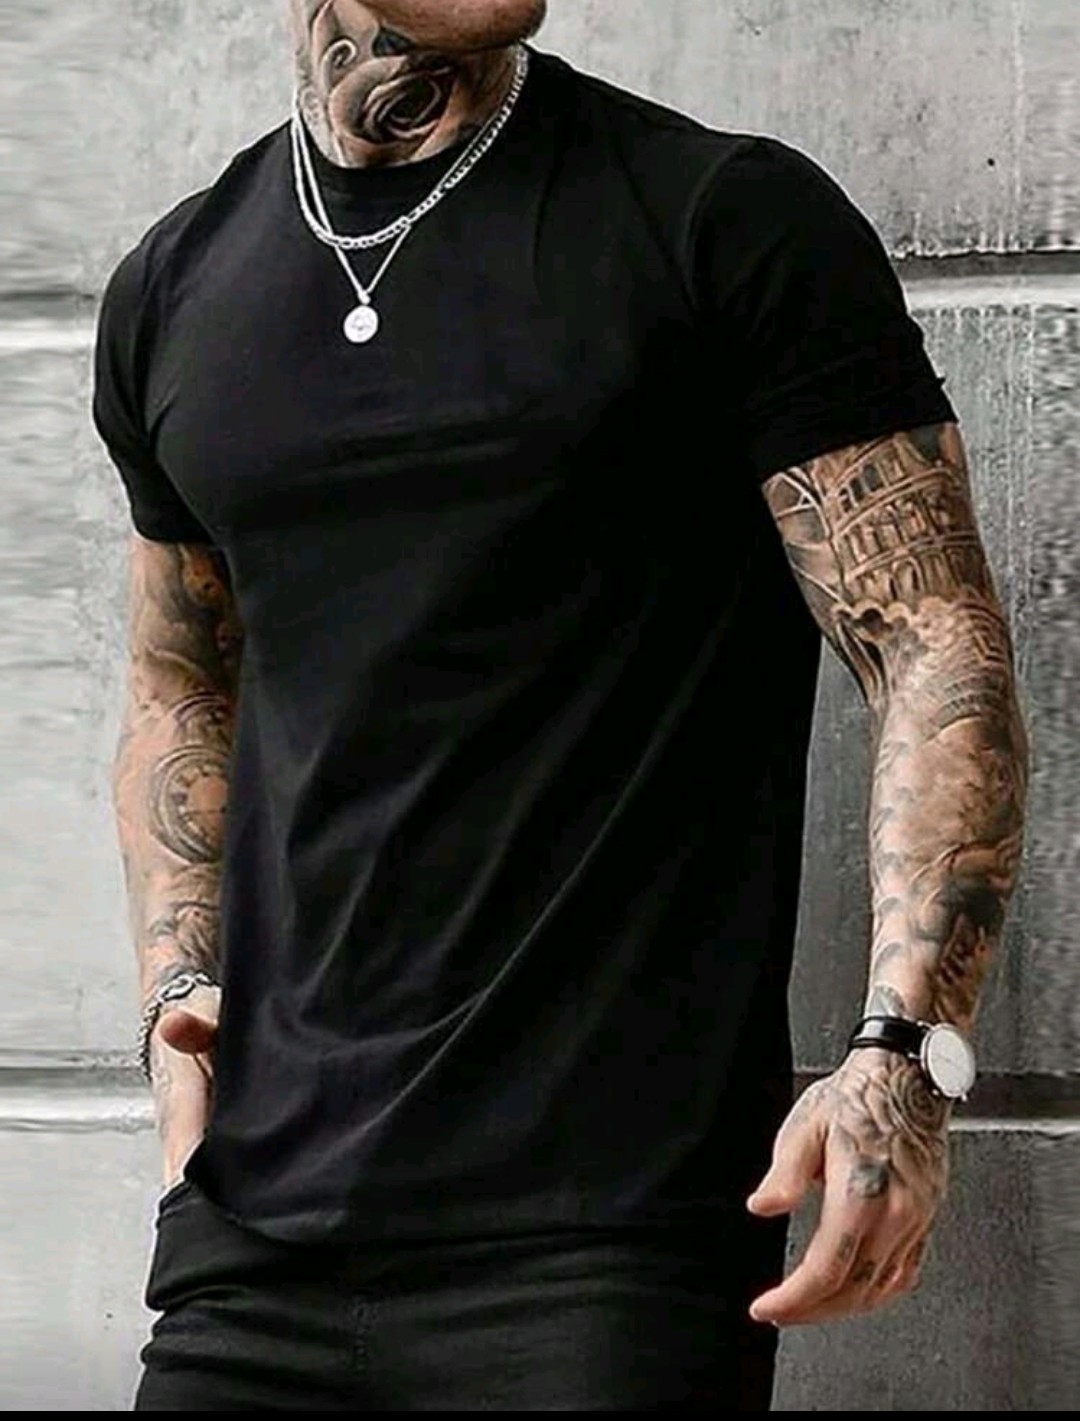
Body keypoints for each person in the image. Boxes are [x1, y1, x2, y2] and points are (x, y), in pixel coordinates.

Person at [92, 1, 1029, 1411]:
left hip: (603, 1257)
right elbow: (180, 678)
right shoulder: (173, 286)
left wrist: (904, 1052)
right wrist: (179, 986)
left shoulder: (720, 219)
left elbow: (931, 638)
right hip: (251, 1246)